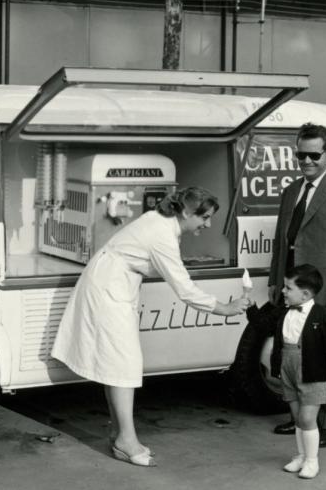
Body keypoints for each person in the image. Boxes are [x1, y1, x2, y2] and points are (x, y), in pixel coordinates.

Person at [50, 186, 252, 467]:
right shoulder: (162, 234)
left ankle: (120, 433)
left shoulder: (163, 223)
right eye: (203, 217)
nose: (207, 224)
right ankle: (126, 440)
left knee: (117, 365)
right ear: (185, 212)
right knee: (124, 365)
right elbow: (185, 290)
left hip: (112, 284)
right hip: (108, 289)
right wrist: (226, 308)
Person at [267, 123, 326, 447]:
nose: (306, 161)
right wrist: (274, 282)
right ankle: (300, 419)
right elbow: (282, 242)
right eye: (300, 155)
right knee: (293, 354)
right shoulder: (291, 191)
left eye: (314, 155)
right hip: (293, 289)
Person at [259, 264, 326, 479]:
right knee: (297, 417)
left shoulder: (321, 314)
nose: (283, 291)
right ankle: (301, 455)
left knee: (307, 418)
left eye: (288, 288)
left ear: (305, 294)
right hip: (288, 368)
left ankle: (312, 461)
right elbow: (262, 325)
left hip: (312, 371)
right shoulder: (283, 311)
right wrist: (249, 308)